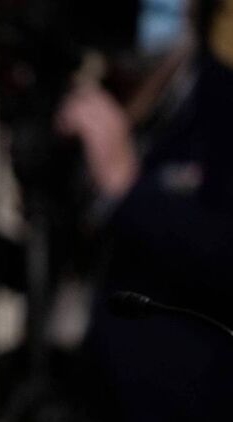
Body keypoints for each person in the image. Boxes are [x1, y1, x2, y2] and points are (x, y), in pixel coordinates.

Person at [57, 0, 233, 420]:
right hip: (89, 392)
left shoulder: (222, 104)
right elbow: (82, 265)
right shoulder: (100, 94)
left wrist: (129, 188)